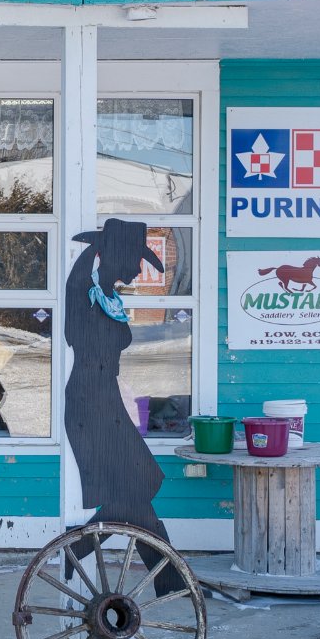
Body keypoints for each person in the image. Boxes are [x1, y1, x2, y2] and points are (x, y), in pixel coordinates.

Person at [65, 219, 184, 590]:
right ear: (117, 254)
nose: (138, 268)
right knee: (136, 486)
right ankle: (166, 576)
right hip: (89, 401)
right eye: (136, 259)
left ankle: (167, 577)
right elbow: (83, 342)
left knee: (139, 485)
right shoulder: (84, 291)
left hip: (102, 396)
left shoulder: (104, 294)